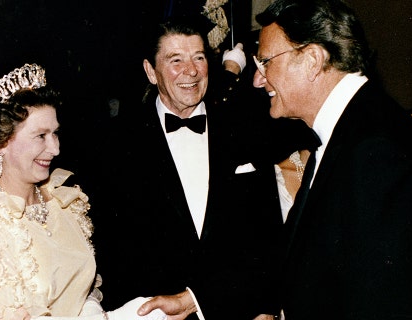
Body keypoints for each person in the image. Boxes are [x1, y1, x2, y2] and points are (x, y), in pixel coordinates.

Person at [0, 63, 166, 320]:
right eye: (41, 136)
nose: (55, 149)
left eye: (55, 134)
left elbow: (85, 290)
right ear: (2, 142)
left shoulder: (62, 199)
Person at [92, 15, 283, 320]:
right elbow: (110, 253)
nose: (191, 71)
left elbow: (268, 232)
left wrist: (266, 308)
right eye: (176, 60)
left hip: (240, 311)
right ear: (150, 72)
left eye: (198, 57)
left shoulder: (247, 128)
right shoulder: (116, 144)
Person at [248, 0, 412, 318]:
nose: (258, 79)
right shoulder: (346, 133)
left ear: (312, 59)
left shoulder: (376, 151)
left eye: (265, 62)